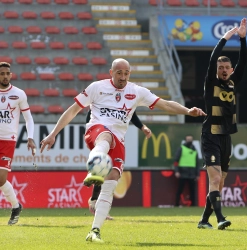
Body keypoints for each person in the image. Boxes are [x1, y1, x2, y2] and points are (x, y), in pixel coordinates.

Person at [40, 58, 206, 243]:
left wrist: (187, 111)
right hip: (97, 131)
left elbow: (165, 104)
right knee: (106, 137)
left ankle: (95, 231)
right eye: (119, 72)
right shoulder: (97, 87)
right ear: (111, 72)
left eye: (126, 73)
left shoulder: (136, 91)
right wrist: (53, 134)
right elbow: (72, 111)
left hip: (119, 141)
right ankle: (93, 167)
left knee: (111, 183)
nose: (123, 76)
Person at [197, 18, 247, 230]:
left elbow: (243, 62)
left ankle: (203, 220)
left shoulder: (233, 82)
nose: (224, 69)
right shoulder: (211, 82)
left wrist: (243, 40)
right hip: (211, 134)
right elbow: (211, 60)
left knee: (221, 181)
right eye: (221, 67)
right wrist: (227, 38)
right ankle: (219, 219)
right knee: (215, 177)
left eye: (227, 67)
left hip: (226, 135)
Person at [85, 109, 152, 220]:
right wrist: (90, 131)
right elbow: (91, 111)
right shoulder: (103, 93)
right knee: (102, 168)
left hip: (116, 139)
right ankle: (95, 202)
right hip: (101, 135)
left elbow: (132, 114)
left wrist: (142, 127)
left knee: (110, 174)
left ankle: (97, 204)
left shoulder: (128, 96)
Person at [0, 62, 36, 225]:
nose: (5, 76)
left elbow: (28, 118)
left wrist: (30, 137)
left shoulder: (19, 94)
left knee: (0, 179)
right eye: (2, 74)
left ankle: (16, 206)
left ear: (11, 75)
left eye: (7, 73)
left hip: (8, 140)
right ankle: (16, 206)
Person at [174, 135, 199, 207]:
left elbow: (197, 163)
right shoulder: (181, 148)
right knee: (180, 189)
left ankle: (193, 205)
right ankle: (176, 204)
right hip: (182, 172)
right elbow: (176, 161)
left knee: (193, 191)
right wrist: (177, 171)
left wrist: (197, 174)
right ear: (185, 140)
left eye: (190, 139)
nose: (189, 141)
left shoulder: (195, 150)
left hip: (192, 173)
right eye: (188, 139)